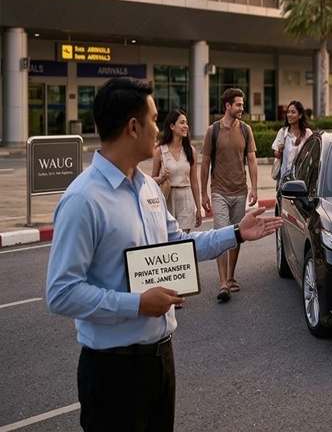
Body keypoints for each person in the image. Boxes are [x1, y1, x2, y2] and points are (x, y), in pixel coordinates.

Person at [45, 77, 283, 432]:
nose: (160, 126)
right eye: (155, 119)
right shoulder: (84, 200)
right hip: (113, 371)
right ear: (133, 126)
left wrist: (236, 233)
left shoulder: (146, 189)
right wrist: (137, 303)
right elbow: (61, 293)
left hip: (160, 360)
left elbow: (179, 244)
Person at [200, 88, 258, 303]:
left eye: (242, 105)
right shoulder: (212, 131)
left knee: (236, 237)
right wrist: (204, 193)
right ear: (228, 106)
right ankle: (223, 283)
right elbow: (205, 162)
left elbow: (251, 160)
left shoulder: (245, 130)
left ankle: (232, 276)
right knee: (220, 236)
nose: (242, 108)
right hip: (219, 191)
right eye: (238, 105)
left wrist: (254, 188)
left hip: (240, 191)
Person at [152, 109, 202, 233]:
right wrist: (161, 178)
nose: (186, 126)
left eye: (186, 123)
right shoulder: (160, 151)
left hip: (186, 198)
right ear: (172, 126)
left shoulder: (191, 151)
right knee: (168, 240)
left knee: (183, 242)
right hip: (167, 198)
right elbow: (152, 180)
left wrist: (198, 208)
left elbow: (194, 181)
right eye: (182, 123)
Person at [272, 100, 313, 186]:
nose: (289, 115)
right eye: (288, 112)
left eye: (293, 112)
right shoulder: (283, 132)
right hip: (284, 178)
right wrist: (279, 150)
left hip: (301, 178)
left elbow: (312, 153)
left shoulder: (307, 133)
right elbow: (276, 154)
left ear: (300, 115)